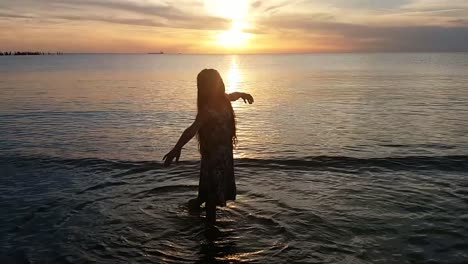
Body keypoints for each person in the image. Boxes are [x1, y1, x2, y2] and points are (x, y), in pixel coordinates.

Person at [163, 69, 254, 228]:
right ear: (204, 88)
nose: (217, 86)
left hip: (225, 156)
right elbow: (191, 130)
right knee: (211, 195)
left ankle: (194, 207)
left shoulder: (225, 99)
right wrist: (176, 148)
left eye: (218, 82)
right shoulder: (207, 110)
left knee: (208, 190)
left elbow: (234, 95)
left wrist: (244, 94)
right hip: (212, 158)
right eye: (212, 84)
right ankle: (210, 230)